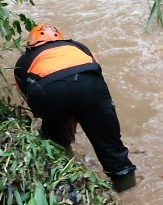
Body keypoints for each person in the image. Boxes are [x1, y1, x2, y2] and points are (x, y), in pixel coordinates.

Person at [14, 23, 137, 191]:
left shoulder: (23, 61)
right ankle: (128, 190)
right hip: (90, 86)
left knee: (57, 144)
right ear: (62, 37)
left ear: (31, 44)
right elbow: (95, 74)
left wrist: (64, 121)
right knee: (113, 150)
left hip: (48, 91)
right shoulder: (78, 47)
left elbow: (27, 97)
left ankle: (70, 184)